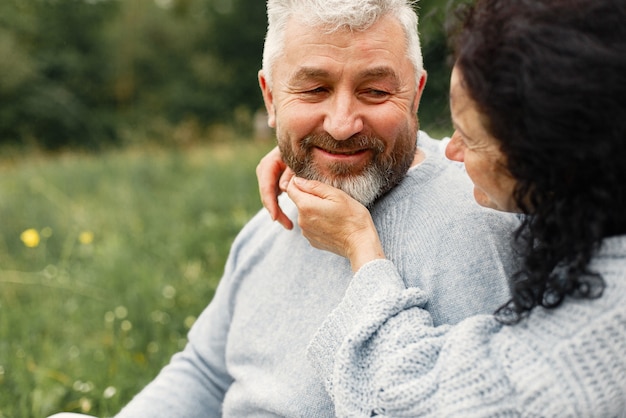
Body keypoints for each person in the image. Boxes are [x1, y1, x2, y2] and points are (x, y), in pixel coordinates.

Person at [44, 1, 519, 417]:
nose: (341, 124)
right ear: (271, 97)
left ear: (415, 94)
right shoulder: (275, 215)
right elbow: (206, 374)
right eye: (314, 90)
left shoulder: (472, 221)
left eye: (375, 91)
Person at [255, 0, 626, 415]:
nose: (449, 150)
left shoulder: (607, 325)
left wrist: (360, 247)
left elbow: (418, 401)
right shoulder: (591, 214)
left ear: (553, 159)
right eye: (312, 90)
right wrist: (321, 148)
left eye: (471, 137)